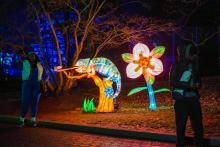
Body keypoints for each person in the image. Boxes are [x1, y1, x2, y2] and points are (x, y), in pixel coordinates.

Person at [170, 43, 204, 147]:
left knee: (198, 125)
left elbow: (198, 80)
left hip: (194, 100)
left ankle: (199, 143)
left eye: (196, 54)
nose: (195, 56)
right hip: (181, 101)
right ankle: (180, 144)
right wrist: (189, 85)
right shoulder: (176, 66)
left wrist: (198, 84)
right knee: (181, 126)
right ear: (186, 54)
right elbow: (173, 82)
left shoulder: (194, 66)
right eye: (193, 53)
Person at [14, 49, 43, 127]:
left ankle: (33, 120)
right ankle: (21, 120)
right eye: (30, 55)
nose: (32, 56)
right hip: (27, 84)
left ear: (36, 56)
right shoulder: (24, 63)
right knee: (25, 102)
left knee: (34, 102)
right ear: (28, 57)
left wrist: (44, 81)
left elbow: (45, 75)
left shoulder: (39, 64)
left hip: (37, 85)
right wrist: (15, 56)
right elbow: (15, 65)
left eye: (33, 55)